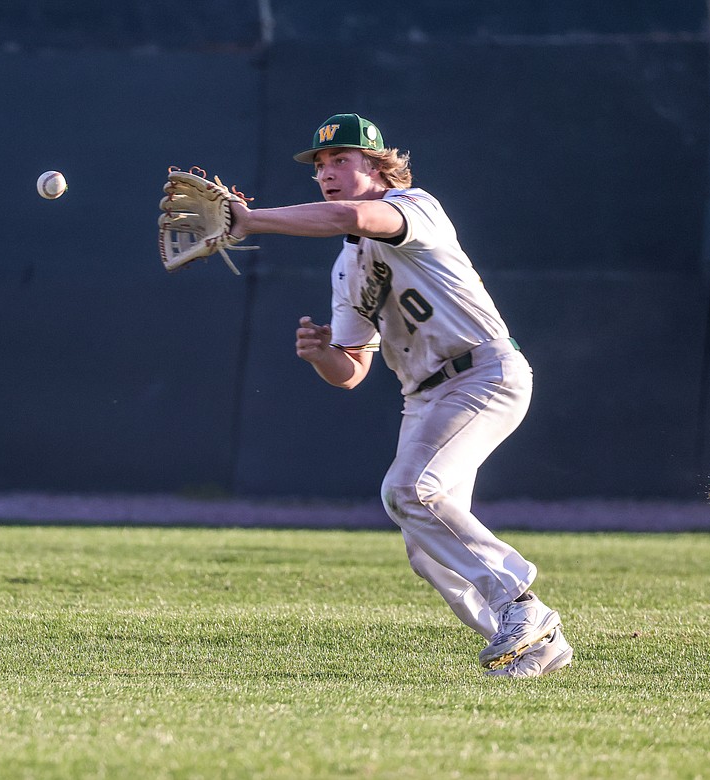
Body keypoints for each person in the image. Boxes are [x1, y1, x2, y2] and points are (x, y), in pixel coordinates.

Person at [228, 113, 572, 678]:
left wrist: (252, 220)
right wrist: (322, 355)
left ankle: (520, 603)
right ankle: (535, 644)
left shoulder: (416, 208)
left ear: (379, 165)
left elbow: (351, 215)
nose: (327, 173)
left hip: (484, 372)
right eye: (319, 165)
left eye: (341, 159)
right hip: (426, 396)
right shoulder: (348, 268)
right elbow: (353, 370)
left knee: (411, 490)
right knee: (425, 545)